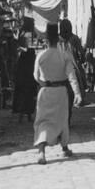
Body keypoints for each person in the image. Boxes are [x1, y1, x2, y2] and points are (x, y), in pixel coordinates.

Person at [33, 23, 82, 165]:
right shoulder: (64, 56)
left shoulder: (41, 56)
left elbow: (36, 76)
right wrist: (77, 93)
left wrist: (44, 83)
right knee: (62, 121)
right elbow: (72, 76)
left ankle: (41, 152)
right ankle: (65, 148)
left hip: (45, 92)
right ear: (58, 39)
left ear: (46, 40)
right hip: (61, 92)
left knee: (43, 121)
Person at [58, 19, 86, 124]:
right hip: (73, 70)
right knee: (70, 95)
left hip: (59, 71)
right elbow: (81, 55)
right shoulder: (75, 39)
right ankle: (67, 119)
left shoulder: (56, 39)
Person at [12, 40, 38, 123]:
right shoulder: (32, 61)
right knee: (28, 101)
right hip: (29, 84)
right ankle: (27, 117)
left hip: (22, 84)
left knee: (23, 101)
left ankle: (22, 118)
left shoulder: (22, 59)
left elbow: (17, 70)